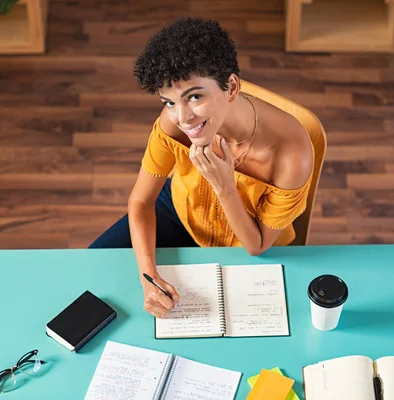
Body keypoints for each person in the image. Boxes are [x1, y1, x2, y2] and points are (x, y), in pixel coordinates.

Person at [89, 17, 314, 319]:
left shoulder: (291, 154)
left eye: (195, 96)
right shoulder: (173, 123)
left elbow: (257, 245)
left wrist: (224, 186)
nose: (182, 117)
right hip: (179, 210)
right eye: (169, 102)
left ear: (231, 87)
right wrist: (149, 277)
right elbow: (141, 201)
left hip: (242, 240)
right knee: (90, 270)